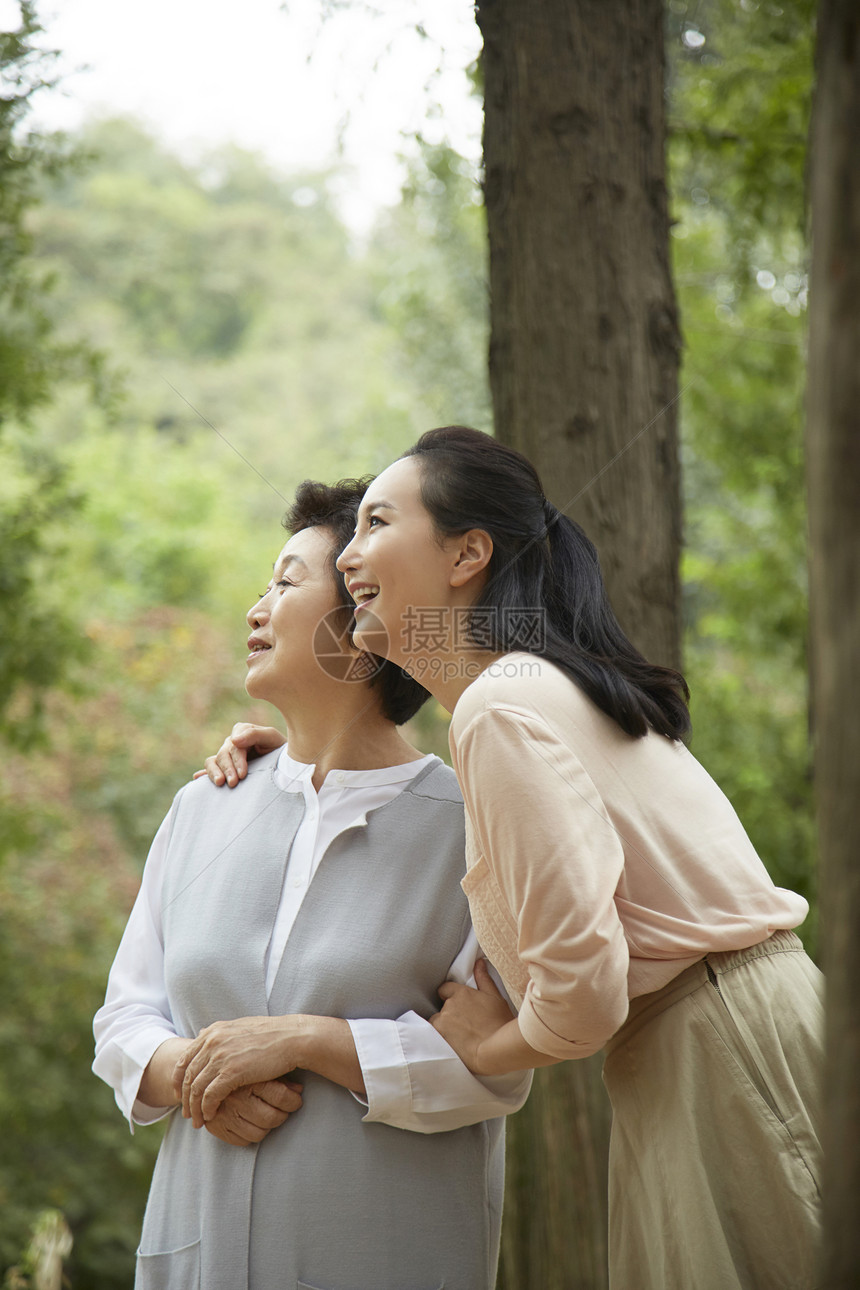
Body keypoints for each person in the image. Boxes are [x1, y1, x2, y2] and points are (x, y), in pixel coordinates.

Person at [324, 424, 822, 1290]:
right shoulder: (526, 695)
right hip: (711, 1040)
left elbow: (584, 995)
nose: (347, 555)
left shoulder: (501, 710)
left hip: (720, 1048)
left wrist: (488, 1047)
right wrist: (283, 759)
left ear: (466, 553)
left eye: (375, 522)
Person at [92, 476, 530, 1290]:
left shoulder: (474, 823)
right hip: (197, 1250)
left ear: (363, 621)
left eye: (287, 583)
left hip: (386, 1254)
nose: (256, 610)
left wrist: (304, 1041)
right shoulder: (203, 807)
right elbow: (124, 1017)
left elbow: (492, 1067)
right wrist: (197, 1073)